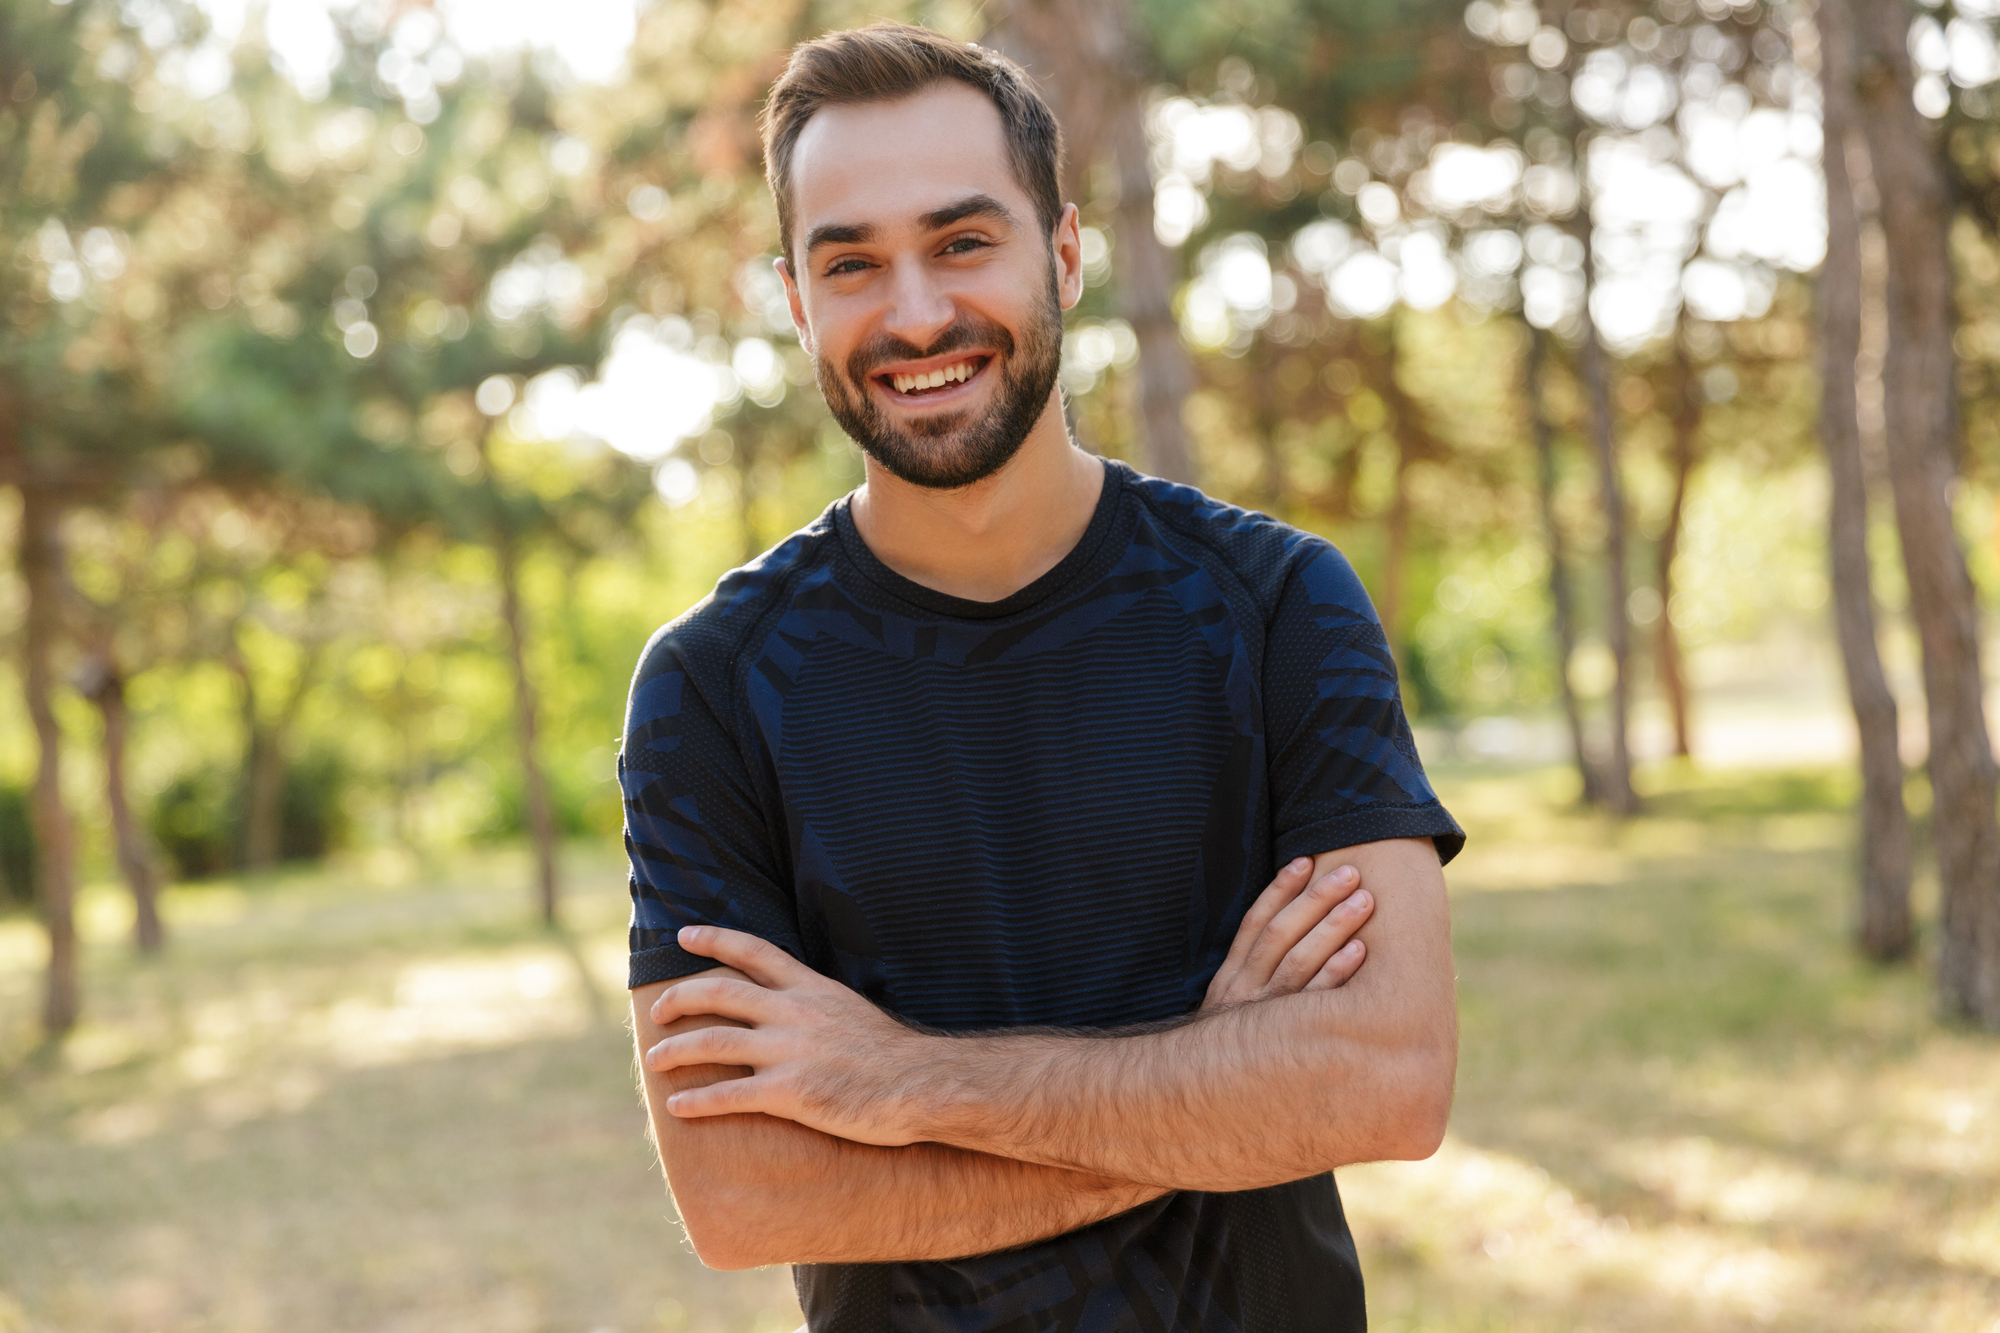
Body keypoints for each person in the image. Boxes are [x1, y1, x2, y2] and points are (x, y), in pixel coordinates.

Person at [623, 23, 1464, 1331]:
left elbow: (1391, 1081)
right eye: (851, 263)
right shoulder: (711, 689)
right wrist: (1214, 1075)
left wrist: (899, 1081)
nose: (914, 313)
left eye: (963, 242)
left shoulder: (1279, 606)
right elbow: (741, 1192)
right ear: (796, 298)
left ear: (1063, 252)